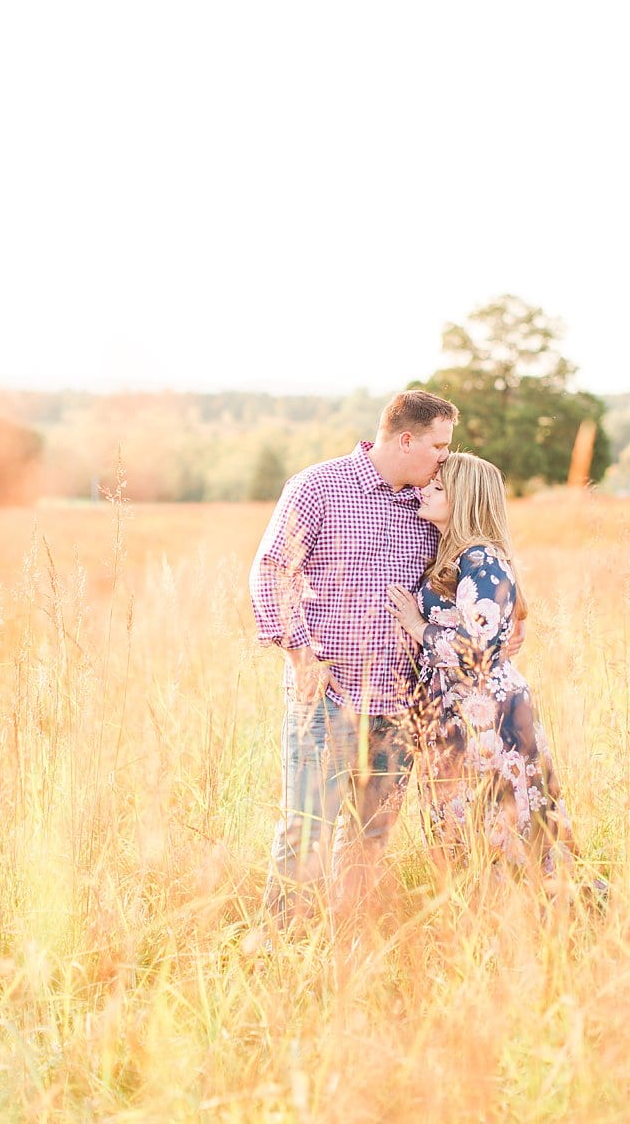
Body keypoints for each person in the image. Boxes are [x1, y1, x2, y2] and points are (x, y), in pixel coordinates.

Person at [250, 389, 491, 925]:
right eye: (438, 446)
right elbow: (271, 570)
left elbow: (482, 562)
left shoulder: (431, 504)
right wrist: (298, 655)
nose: (445, 458)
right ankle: (283, 952)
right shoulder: (318, 487)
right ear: (406, 439)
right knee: (304, 831)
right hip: (327, 699)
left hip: (400, 707)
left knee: (369, 839)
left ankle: (347, 946)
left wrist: (508, 622)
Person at [386, 452, 580, 883]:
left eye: (437, 489)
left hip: (485, 713)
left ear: (463, 500)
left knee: (501, 820)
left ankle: (532, 918)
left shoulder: (480, 561)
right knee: (465, 821)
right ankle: (484, 921)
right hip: (456, 710)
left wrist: (419, 628)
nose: (424, 491)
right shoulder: (458, 557)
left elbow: (480, 653)